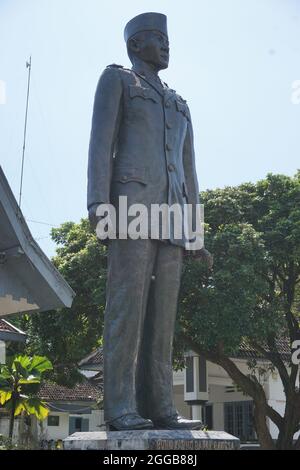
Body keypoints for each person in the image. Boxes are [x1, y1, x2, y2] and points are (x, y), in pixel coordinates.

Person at [88, 12, 211, 431]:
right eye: (157, 38)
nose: (166, 45)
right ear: (135, 45)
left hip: (174, 218)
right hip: (130, 211)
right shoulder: (118, 80)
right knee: (127, 309)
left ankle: (161, 405)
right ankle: (120, 405)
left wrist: (195, 231)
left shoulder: (180, 103)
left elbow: (190, 172)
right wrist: (97, 204)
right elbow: (101, 144)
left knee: (163, 317)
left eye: (167, 38)